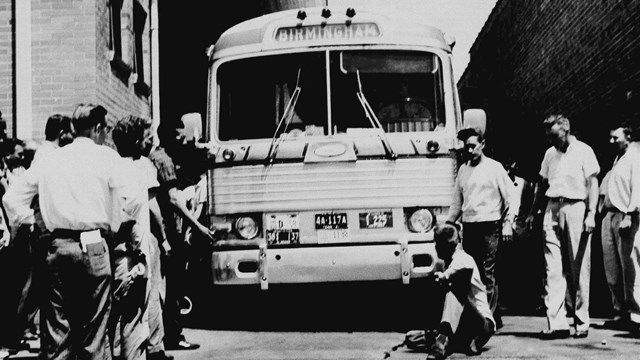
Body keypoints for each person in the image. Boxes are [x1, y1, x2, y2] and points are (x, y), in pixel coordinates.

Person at [2, 103, 144, 360]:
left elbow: (12, 198)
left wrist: (35, 223)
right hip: (95, 244)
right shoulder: (107, 157)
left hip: (57, 246)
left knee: (57, 332)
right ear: (99, 129)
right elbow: (133, 198)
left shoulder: (50, 159)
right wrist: (113, 224)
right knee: (95, 332)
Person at [525, 115, 600, 339]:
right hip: (551, 208)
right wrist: (532, 212)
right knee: (553, 268)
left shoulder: (584, 150)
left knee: (579, 266)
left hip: (576, 207)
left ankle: (581, 321)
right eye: (549, 136)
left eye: (555, 135)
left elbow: (593, 183)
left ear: (566, 129)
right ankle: (557, 323)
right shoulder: (550, 154)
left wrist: (591, 213)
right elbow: (542, 184)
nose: (552, 140)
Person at [149, 119, 213, 351]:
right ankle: (173, 336)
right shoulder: (164, 161)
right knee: (175, 286)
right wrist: (197, 226)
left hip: (160, 232)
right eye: (178, 136)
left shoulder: (154, 156)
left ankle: (163, 335)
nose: (183, 139)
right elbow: (174, 199)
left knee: (164, 286)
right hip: (170, 233)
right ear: (166, 137)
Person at [445, 127, 519, 328]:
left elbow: (512, 197)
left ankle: (487, 322)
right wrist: (449, 223)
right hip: (469, 227)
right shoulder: (463, 170)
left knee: (487, 274)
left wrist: (508, 222)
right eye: (465, 147)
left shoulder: (494, 168)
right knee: (470, 273)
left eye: (472, 146)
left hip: (490, 227)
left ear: (482, 145)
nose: (468, 151)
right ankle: (477, 316)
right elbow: (457, 202)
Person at [427, 223, 495, 360]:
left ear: (445, 246)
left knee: (456, 289)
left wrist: (444, 276)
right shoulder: (447, 262)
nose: (435, 248)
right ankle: (452, 340)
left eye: (437, 244)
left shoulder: (464, 258)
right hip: (461, 324)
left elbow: (460, 271)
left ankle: (443, 339)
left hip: (481, 324)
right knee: (412, 337)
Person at [599, 125, 640, 332]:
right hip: (610, 215)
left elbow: (637, 187)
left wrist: (630, 214)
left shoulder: (636, 157)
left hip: (626, 217)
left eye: (615, 138)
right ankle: (620, 311)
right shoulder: (618, 159)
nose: (611, 142)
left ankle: (637, 315)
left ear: (629, 137)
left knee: (630, 267)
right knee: (612, 268)